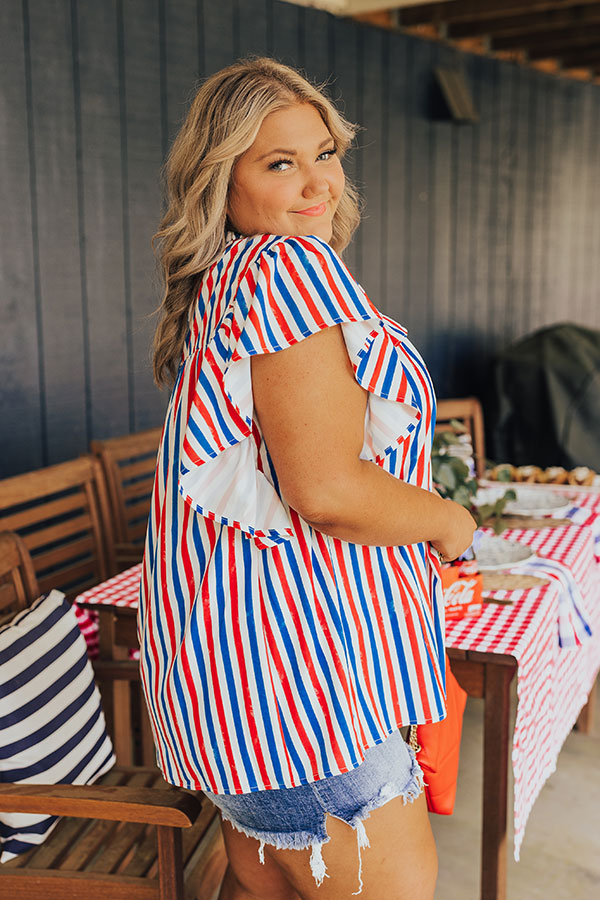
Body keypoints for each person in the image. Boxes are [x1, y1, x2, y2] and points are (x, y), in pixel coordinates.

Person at [141, 56, 476, 900]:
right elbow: (324, 490)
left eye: (324, 153)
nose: (317, 183)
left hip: (236, 686)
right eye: (279, 162)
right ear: (225, 182)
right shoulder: (288, 271)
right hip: (305, 689)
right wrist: (449, 523)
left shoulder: (228, 281)